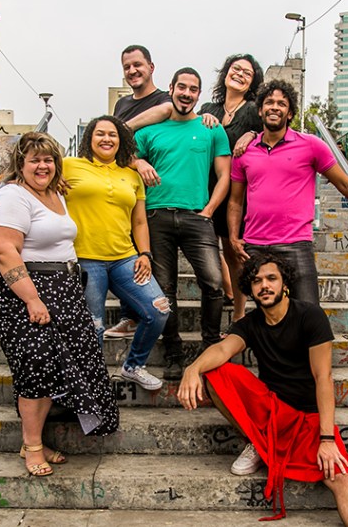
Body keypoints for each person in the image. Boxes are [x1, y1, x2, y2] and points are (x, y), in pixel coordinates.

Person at [177, 253, 348, 525]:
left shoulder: (310, 316)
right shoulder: (249, 324)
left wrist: (327, 439)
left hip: (309, 419)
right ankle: (259, 444)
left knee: (339, 476)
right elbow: (223, 349)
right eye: (257, 281)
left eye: (271, 278)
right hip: (273, 412)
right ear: (250, 289)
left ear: (285, 284)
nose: (265, 286)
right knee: (216, 372)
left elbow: (323, 378)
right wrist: (192, 368)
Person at [0, 132, 119, 478]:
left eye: (48, 160)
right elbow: (2, 250)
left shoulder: (54, 193)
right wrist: (32, 299)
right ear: (21, 163)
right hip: (28, 292)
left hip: (64, 289)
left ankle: (35, 442)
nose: (42, 166)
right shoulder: (12, 195)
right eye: (35, 160)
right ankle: (32, 447)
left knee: (56, 368)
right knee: (37, 368)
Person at [228, 80, 348, 305]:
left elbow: (346, 186)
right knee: (265, 317)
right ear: (260, 110)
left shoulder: (311, 145)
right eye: (269, 102)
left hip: (295, 244)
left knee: (309, 312)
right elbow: (235, 201)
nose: (275, 107)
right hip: (255, 244)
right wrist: (233, 237)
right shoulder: (244, 151)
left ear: (290, 113)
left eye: (282, 104)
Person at [134, 67, 232, 380]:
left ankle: (210, 346)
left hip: (196, 216)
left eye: (193, 89)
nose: (186, 94)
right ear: (172, 89)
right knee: (165, 289)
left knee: (214, 282)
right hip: (156, 216)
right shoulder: (149, 132)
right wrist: (139, 161)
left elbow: (225, 175)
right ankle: (173, 353)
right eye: (182, 87)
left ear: (199, 95)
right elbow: (124, 156)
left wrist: (209, 210)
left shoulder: (211, 129)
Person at [62, 115, 170, 391]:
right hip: (85, 260)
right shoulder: (69, 166)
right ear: (89, 138)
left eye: (113, 134)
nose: (106, 139)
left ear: (121, 141)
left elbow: (140, 221)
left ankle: (133, 366)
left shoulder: (132, 175)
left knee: (158, 309)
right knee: (94, 326)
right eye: (100, 133)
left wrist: (145, 254)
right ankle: (93, 383)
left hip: (125, 258)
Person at [104, 44, 171, 340]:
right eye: (127, 67)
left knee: (153, 259)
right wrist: (136, 160)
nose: (132, 71)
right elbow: (115, 149)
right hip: (126, 190)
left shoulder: (165, 99)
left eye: (137, 65)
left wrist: (120, 128)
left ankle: (156, 318)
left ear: (151, 67)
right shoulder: (121, 104)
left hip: (158, 193)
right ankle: (130, 316)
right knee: (128, 254)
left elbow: (166, 111)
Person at [197, 54, 264, 323]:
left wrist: (252, 134)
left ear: (252, 83)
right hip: (207, 187)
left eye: (247, 73)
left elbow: (270, 134)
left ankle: (238, 314)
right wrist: (201, 119)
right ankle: (227, 290)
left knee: (232, 250)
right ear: (225, 73)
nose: (239, 74)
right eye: (236, 69)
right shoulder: (209, 109)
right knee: (207, 249)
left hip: (237, 191)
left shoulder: (253, 110)